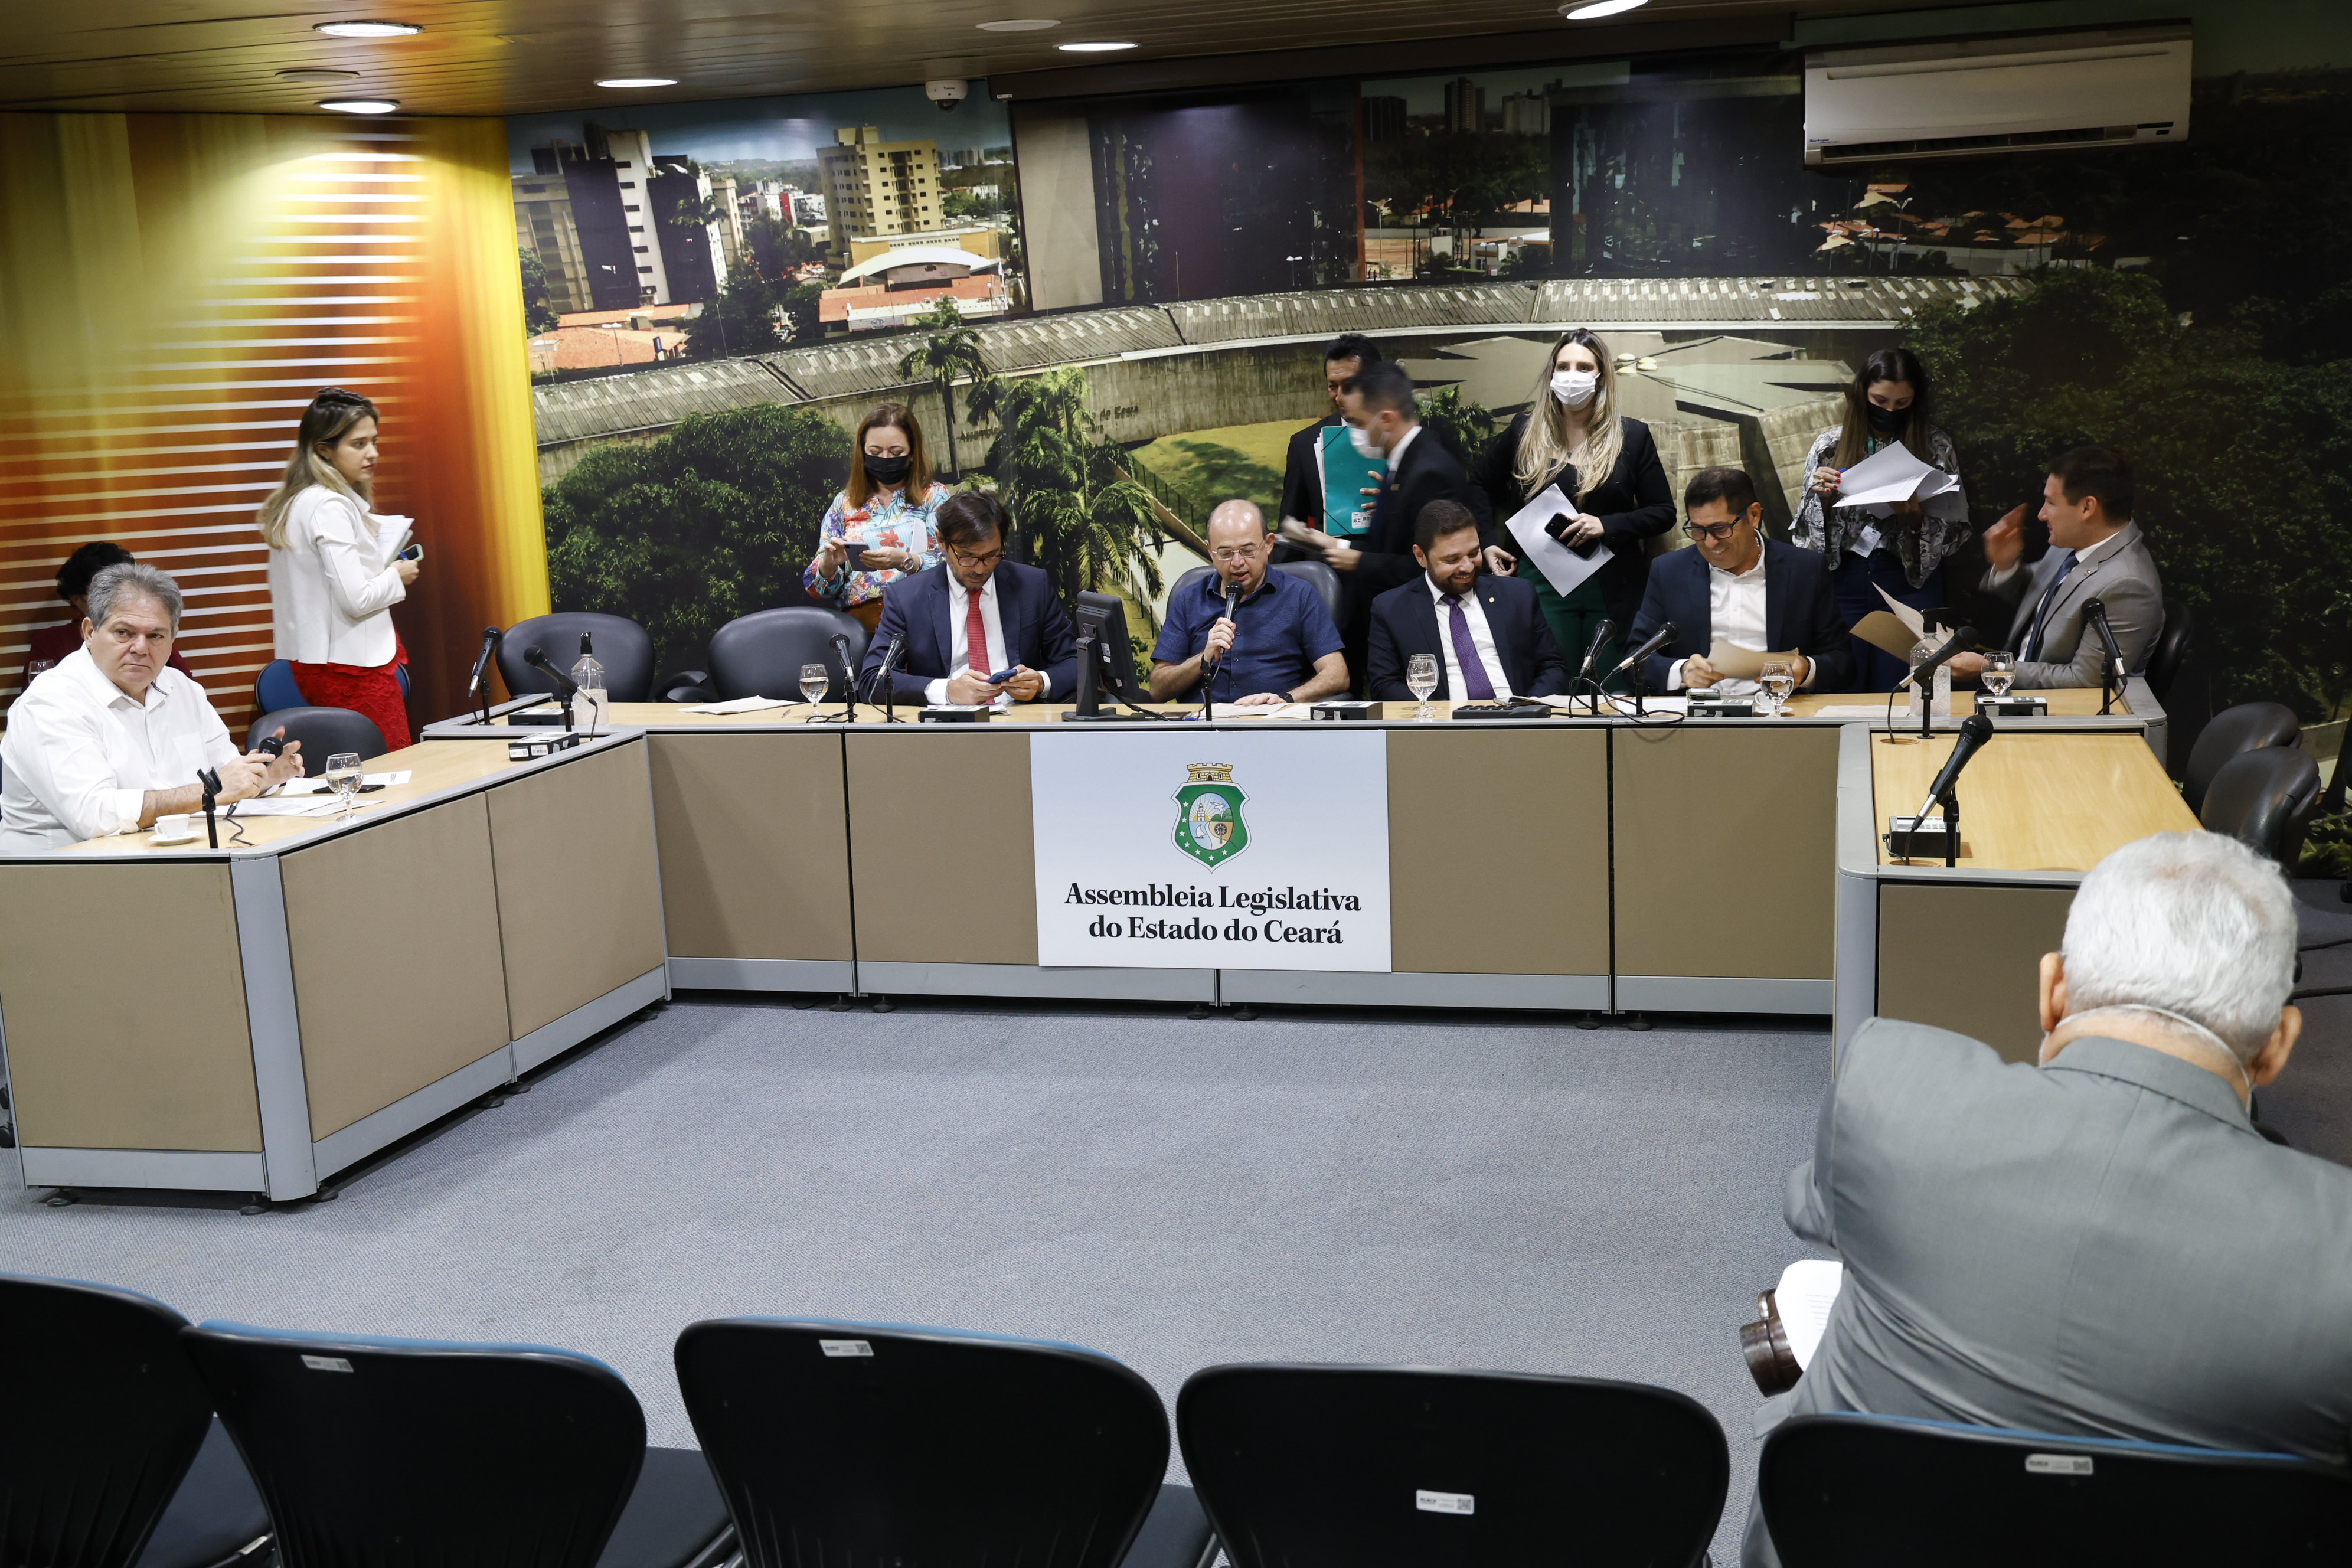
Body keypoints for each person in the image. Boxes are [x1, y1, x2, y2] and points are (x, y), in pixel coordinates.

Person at [1741, 831, 2352, 1567]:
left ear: (2053, 988)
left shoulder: (1892, 1090)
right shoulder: (2337, 1248)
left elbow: (1813, 1206)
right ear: (2279, 1043)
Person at [1, 564, 302, 852]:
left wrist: (260, 778)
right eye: (124, 633)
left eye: (155, 636)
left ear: (173, 638)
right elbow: (95, 816)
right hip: (63, 873)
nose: (140, 648)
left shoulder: (182, 689)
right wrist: (212, 789)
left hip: (175, 858)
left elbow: (228, 775)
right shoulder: (50, 703)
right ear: (90, 632)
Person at [1471, 328, 1674, 678]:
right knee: (1551, 682)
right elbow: (1478, 486)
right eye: (1563, 367)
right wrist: (1487, 544)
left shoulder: (1632, 436)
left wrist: (1607, 524)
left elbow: (1663, 512)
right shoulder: (1524, 430)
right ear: (1551, 373)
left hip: (1611, 585)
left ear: (1601, 375)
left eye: (1584, 367)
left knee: (1611, 687)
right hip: (1539, 580)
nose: (1571, 376)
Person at [1789, 348, 1972, 691]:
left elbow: (1953, 533)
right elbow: (1803, 539)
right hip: (1844, 579)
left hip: (1909, 581)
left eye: (1902, 403)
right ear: (1863, 394)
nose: (1889, 411)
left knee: (1907, 685)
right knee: (1843, 682)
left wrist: (1913, 516)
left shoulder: (1935, 446)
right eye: (1880, 401)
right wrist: (1823, 502)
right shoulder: (1830, 446)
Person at [259, 387, 420, 749]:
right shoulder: (330, 506)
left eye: (374, 441)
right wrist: (396, 576)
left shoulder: (297, 502)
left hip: (319, 664)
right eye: (359, 444)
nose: (373, 453)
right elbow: (356, 599)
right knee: (388, 767)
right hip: (351, 669)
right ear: (324, 450)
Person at [1948, 446, 2162, 690]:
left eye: (2050, 503)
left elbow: (2087, 680)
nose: (2042, 515)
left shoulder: (2128, 585)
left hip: (2053, 706)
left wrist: (1991, 668)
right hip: (2015, 686)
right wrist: (2006, 564)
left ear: (2087, 507)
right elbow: (2039, 593)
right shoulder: (2071, 543)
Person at [1625, 467, 1851, 697]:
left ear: (1753, 515)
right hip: (1696, 712)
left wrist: (1806, 668)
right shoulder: (1670, 572)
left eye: (1720, 529)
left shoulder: (1804, 569)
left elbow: (1842, 660)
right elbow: (1634, 660)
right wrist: (1682, 672)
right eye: (1698, 530)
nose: (1710, 543)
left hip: (1780, 710)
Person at [860, 491, 1075, 706]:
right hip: (947, 720)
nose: (980, 569)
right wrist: (947, 691)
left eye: (991, 556)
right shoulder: (907, 598)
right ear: (941, 542)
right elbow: (873, 680)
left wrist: (1041, 682)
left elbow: (1074, 661)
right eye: (967, 557)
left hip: (1021, 716)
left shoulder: (1032, 585)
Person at [1150, 501, 1349, 707]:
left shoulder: (1300, 595)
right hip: (1203, 721)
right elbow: (1158, 690)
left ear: (1269, 544)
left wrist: (1284, 700)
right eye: (1225, 553)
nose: (1237, 563)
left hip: (1272, 719)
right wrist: (1203, 659)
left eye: (1248, 550)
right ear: (1210, 550)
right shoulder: (1189, 599)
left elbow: (1337, 675)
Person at [1366, 500, 1569, 703]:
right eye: (1452, 560)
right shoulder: (1392, 609)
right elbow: (1384, 684)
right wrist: (1435, 714)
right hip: (1441, 718)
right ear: (1421, 556)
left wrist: (1530, 707)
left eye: (1474, 554)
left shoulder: (1517, 595)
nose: (1468, 567)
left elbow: (1553, 666)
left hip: (1517, 713)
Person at [805, 403, 952, 633]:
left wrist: (905, 561)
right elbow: (816, 588)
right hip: (860, 627)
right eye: (875, 453)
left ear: (912, 453)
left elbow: (952, 561)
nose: (885, 459)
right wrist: (829, 565)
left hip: (921, 617)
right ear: (862, 452)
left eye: (896, 453)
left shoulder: (934, 496)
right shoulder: (844, 503)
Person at [20, 543, 191, 690]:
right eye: (122, 633)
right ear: (77, 599)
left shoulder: (151, 638)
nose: (140, 648)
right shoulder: (52, 643)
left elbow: (183, 690)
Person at [1279, 334, 1383, 537]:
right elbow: (1291, 527)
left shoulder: (1404, 437)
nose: (1339, 397)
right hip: (1329, 557)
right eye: (1332, 386)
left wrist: (1397, 501)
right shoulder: (1304, 445)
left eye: (1350, 385)